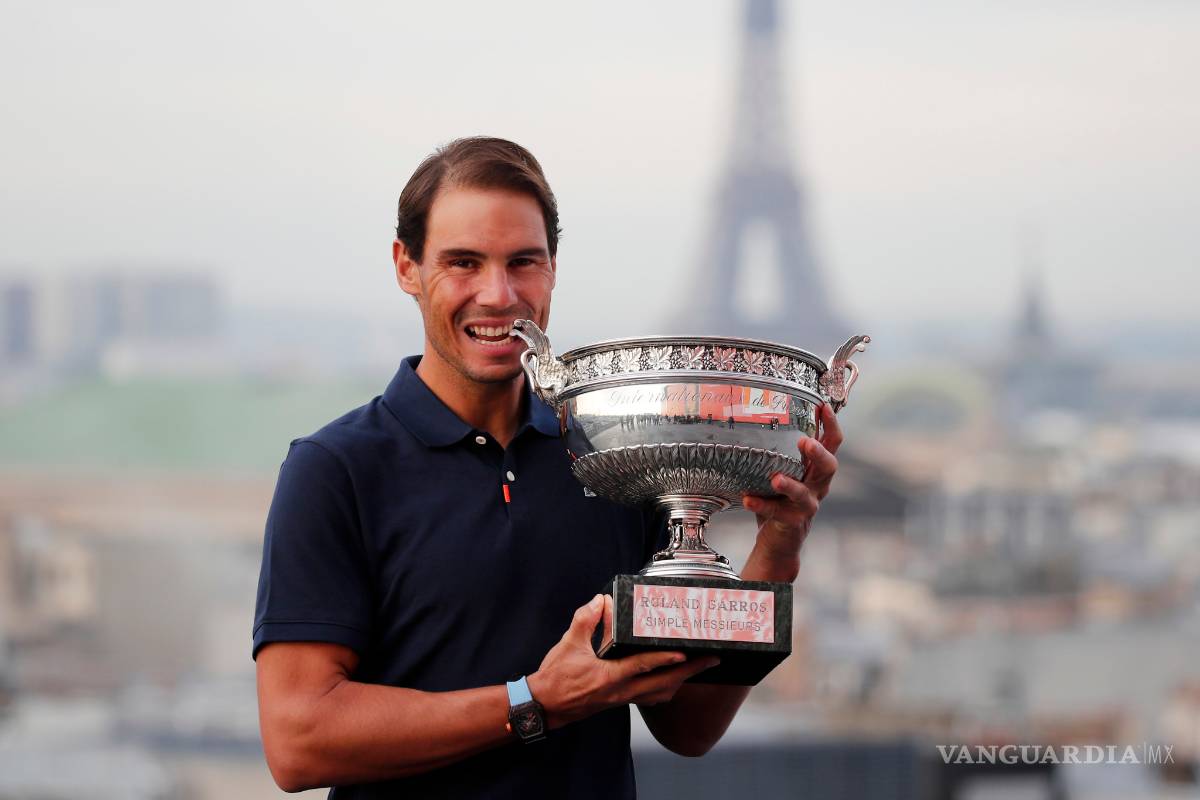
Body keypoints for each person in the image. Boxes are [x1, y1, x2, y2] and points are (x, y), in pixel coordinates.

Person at [253, 137, 842, 798]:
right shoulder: (335, 471)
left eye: (522, 262)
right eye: (463, 263)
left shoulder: (617, 459)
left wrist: (780, 544)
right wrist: (535, 701)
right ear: (406, 266)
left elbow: (689, 724)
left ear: (553, 268)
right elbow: (298, 742)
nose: (498, 294)